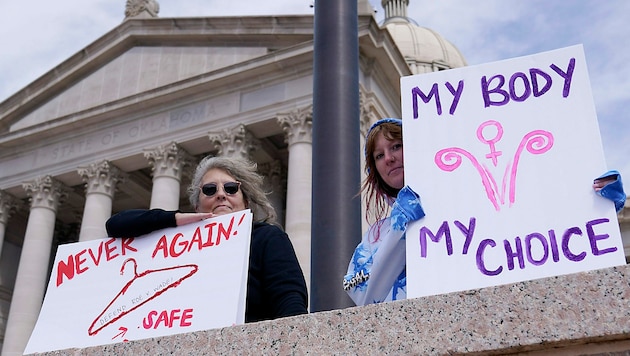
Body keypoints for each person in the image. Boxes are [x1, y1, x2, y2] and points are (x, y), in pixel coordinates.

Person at [343, 118, 626, 306]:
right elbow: (365, 296)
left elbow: (536, 225)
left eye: (396, 146)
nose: (389, 158)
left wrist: (598, 201)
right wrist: (398, 229)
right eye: (379, 155)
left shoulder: (471, 197)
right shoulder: (375, 236)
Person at [106, 156, 308, 322]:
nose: (221, 194)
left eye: (231, 188)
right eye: (210, 190)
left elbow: (289, 299)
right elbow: (115, 225)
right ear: (197, 206)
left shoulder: (265, 237)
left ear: (245, 201)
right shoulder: (181, 243)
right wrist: (173, 219)